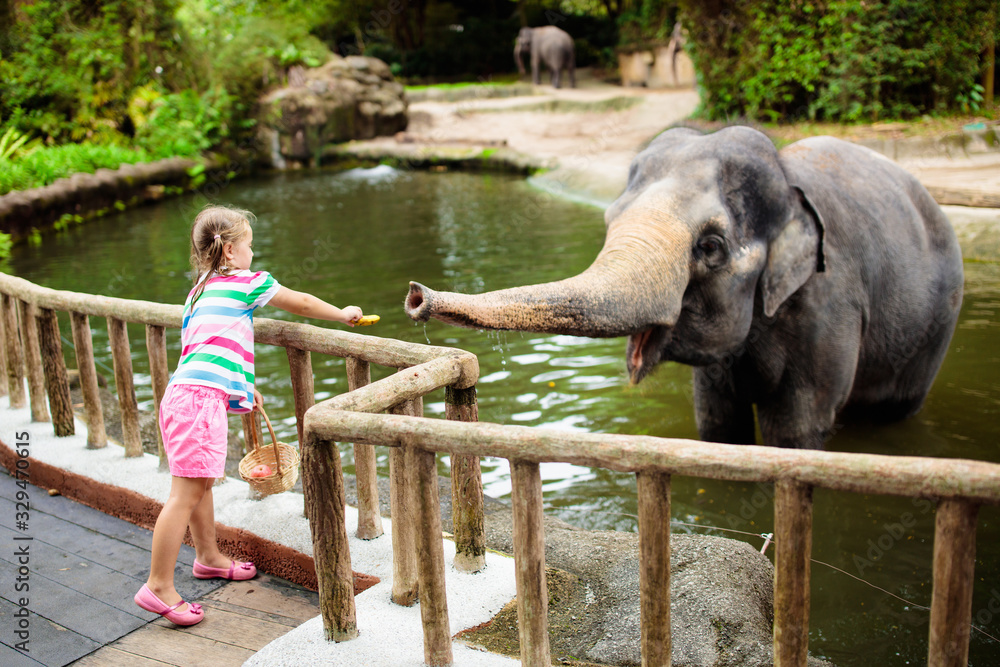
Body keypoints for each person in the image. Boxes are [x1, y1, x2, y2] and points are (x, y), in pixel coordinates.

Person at [134, 205, 363, 625]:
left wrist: (241, 385)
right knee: (184, 494)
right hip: (198, 402)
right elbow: (304, 303)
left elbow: (206, 346)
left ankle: (208, 556)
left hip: (184, 395)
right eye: (250, 246)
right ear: (230, 252)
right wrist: (342, 313)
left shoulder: (199, 290)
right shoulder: (247, 282)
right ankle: (158, 586)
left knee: (199, 484)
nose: (253, 254)